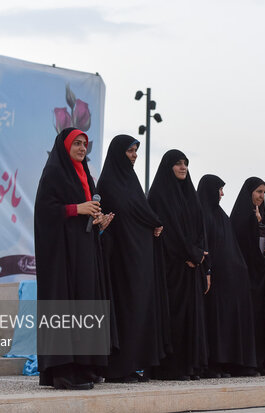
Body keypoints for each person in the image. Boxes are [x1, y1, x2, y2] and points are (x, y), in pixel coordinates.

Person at [34, 127, 114, 390]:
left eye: (84, 144)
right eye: (76, 143)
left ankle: (82, 366)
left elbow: (87, 211)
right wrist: (76, 208)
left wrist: (98, 220)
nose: (82, 148)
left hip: (83, 251)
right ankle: (62, 372)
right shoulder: (55, 172)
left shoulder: (86, 177)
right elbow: (44, 211)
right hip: (61, 255)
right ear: (65, 146)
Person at [97, 135, 169, 383]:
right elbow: (125, 210)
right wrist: (153, 220)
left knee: (139, 307)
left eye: (136, 151)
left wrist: (154, 222)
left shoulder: (130, 180)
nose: (134, 155)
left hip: (139, 256)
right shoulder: (107, 182)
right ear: (119, 153)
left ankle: (134, 365)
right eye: (130, 151)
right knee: (125, 307)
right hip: (121, 258)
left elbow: (140, 208)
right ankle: (118, 369)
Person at [147, 149, 209, 380]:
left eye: (186, 163)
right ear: (168, 167)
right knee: (174, 316)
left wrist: (199, 255)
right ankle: (170, 368)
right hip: (172, 266)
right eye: (178, 164)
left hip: (192, 266)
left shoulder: (190, 195)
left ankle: (190, 366)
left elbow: (200, 228)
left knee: (191, 317)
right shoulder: (159, 195)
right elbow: (165, 230)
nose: (183, 167)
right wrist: (188, 254)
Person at [197, 174, 258, 377]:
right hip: (214, 279)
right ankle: (212, 364)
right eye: (219, 189)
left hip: (231, 280)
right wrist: (209, 269)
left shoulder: (221, 215)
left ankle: (229, 363)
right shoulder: (202, 214)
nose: (222, 194)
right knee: (214, 322)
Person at [230, 177, 265, 376]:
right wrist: (255, 222)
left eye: (263, 193)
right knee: (248, 320)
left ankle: (262, 362)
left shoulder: (264, 217)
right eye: (258, 192)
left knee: (263, 319)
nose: (261, 196)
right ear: (249, 192)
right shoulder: (240, 216)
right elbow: (241, 241)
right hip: (246, 277)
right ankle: (246, 364)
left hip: (263, 276)